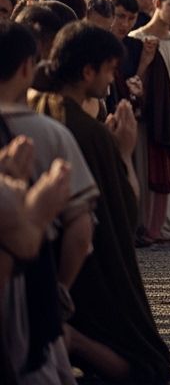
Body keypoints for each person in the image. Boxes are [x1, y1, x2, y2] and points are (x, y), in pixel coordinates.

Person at [30, 22, 170, 382]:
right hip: (82, 266)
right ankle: (73, 340)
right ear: (87, 70)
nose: (112, 80)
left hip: (42, 258)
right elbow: (124, 212)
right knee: (149, 366)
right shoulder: (87, 131)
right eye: (109, 69)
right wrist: (123, 153)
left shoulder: (38, 108)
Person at [1, 20, 98, 385]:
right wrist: (61, 290)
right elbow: (80, 226)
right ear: (28, 66)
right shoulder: (51, 132)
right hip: (32, 276)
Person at [129, 0, 170, 242]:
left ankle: (158, 226)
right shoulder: (136, 38)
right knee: (142, 168)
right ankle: (141, 225)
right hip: (145, 116)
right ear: (157, 3)